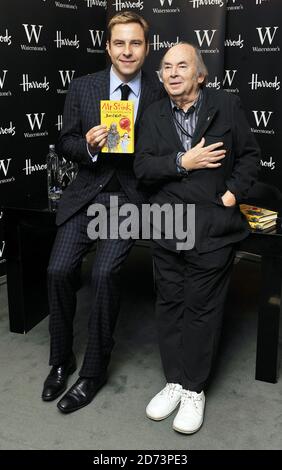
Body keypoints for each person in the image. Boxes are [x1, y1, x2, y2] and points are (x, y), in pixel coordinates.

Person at [134, 42, 260, 434]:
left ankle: (194, 388)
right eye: (166, 67)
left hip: (213, 226)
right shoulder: (152, 114)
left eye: (182, 66)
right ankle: (173, 381)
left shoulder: (225, 105)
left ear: (200, 74)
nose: (172, 73)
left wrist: (231, 194)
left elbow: (251, 156)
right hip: (168, 223)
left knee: (202, 308)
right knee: (170, 304)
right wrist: (180, 162)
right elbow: (141, 167)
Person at [42, 11, 164, 414]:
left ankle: (93, 372)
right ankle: (61, 360)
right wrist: (90, 145)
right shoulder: (84, 87)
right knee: (58, 270)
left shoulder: (161, 91)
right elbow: (66, 142)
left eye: (136, 43)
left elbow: (165, 152)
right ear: (108, 46)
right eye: (119, 43)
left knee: (104, 273)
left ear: (146, 48)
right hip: (86, 193)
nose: (127, 51)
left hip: (129, 198)